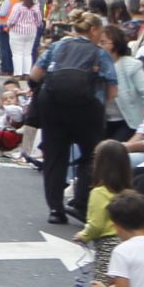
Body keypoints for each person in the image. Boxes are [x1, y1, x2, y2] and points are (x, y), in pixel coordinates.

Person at [30, 13, 116, 225]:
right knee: (92, 156)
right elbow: (113, 91)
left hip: (53, 106)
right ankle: (81, 202)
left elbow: (35, 74)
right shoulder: (99, 53)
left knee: (54, 156)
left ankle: (55, 210)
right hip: (88, 110)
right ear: (94, 30)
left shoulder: (57, 47)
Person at [76, 139, 133, 281]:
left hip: (107, 245)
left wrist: (84, 235)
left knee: (104, 286)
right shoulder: (129, 192)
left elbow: (96, 224)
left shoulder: (99, 192)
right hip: (128, 240)